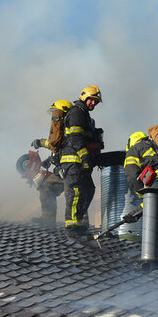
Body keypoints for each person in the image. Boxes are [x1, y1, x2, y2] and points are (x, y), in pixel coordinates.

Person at [60, 85, 104, 238]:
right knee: (76, 191)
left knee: (89, 190)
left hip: (81, 162)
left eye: (96, 102)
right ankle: (71, 227)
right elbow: (75, 138)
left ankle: (78, 223)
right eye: (92, 100)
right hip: (73, 160)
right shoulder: (77, 112)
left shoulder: (85, 115)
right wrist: (85, 157)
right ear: (85, 97)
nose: (94, 104)